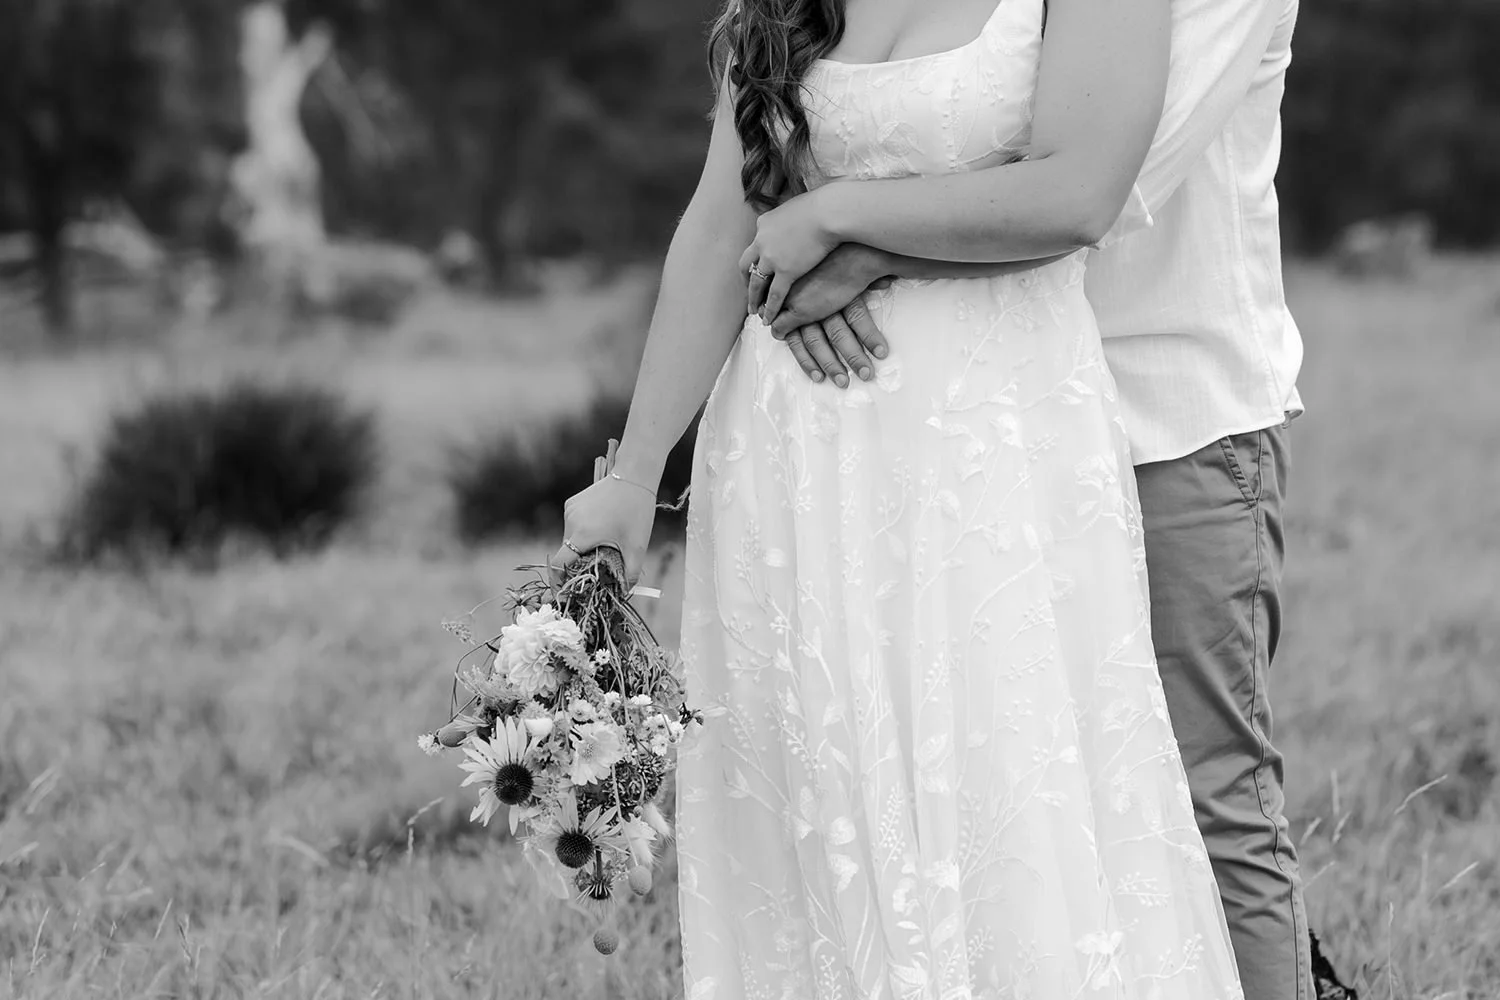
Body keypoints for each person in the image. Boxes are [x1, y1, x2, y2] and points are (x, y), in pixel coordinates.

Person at [551, 0, 1251, 994]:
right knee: (817, 800)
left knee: (1003, 793)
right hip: (789, 470)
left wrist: (836, 218)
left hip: (990, 455)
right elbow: (720, 227)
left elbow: (1078, 193)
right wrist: (633, 477)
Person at [756, 0, 1310, 996]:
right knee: (1007, 795)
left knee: (1204, 803)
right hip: (989, 427)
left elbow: (1100, 189)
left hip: (1170, 419)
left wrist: (855, 252)